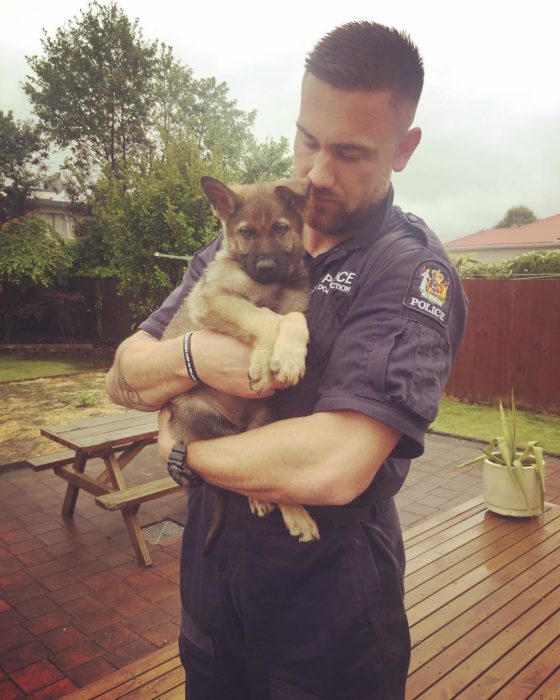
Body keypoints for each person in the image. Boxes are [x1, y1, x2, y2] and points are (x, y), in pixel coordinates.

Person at [106, 21, 468, 700]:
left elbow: (331, 468)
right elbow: (124, 375)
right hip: (214, 599)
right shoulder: (233, 254)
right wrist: (194, 354)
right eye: (308, 140)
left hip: (327, 624)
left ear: (404, 149)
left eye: (351, 152)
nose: (316, 174)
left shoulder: (408, 268)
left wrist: (185, 455)